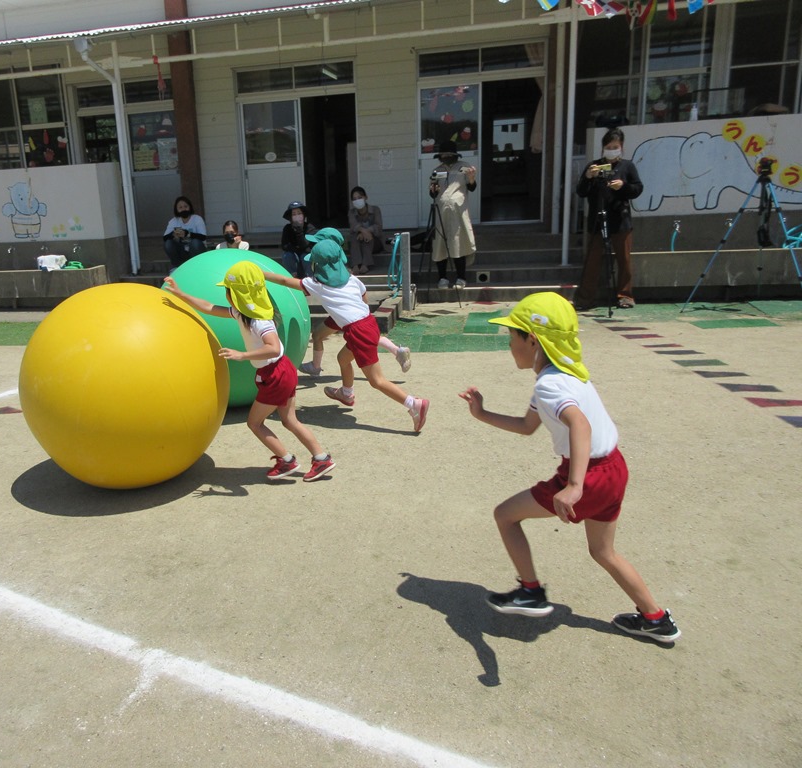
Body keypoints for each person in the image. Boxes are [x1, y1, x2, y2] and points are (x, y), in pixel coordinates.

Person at [459, 292, 680, 644]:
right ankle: (655, 618)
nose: (509, 343)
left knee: (505, 515)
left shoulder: (549, 385)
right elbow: (527, 426)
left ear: (532, 339)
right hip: (614, 469)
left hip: (588, 475)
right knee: (603, 551)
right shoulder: (567, 374)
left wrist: (575, 485)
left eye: (512, 335)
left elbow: (580, 426)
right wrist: (482, 413)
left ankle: (530, 591)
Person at [163, 262, 335, 482]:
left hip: (275, 375)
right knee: (290, 420)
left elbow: (272, 346)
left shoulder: (259, 321)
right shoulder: (242, 313)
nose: (226, 294)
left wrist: (242, 355)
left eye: (228, 290)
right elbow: (208, 307)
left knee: (254, 423)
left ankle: (287, 461)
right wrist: (180, 294)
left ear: (237, 294)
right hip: (282, 371)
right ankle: (321, 458)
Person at [264, 228, 430, 434]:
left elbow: (284, 281)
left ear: (316, 265)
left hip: (358, 331)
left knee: (376, 380)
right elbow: (364, 299)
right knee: (343, 358)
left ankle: (414, 404)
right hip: (367, 322)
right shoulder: (352, 279)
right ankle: (347, 393)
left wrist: (261, 273)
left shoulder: (317, 284)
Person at [296, 228, 411, 377]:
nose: (315, 247)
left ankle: (316, 367)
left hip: (346, 315)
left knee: (319, 336)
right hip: (355, 313)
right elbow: (363, 293)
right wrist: (364, 311)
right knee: (370, 337)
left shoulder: (328, 271)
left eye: (318, 243)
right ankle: (397, 351)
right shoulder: (341, 268)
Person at [574, 127, 643, 310]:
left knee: (624, 260)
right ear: (603, 147)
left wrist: (623, 186)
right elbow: (581, 191)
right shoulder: (594, 166)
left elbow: (637, 189)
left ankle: (625, 296)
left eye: (616, 146)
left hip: (620, 220)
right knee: (592, 261)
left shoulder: (627, 167)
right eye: (609, 146)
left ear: (621, 147)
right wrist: (589, 177)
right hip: (598, 220)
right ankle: (585, 299)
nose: (612, 149)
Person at [428, 140, 477, 289]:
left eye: (449, 154)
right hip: (441, 213)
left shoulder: (465, 167)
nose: (446, 156)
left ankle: (461, 278)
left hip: (458, 213)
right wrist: (433, 188)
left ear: (455, 155)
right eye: (444, 154)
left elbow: (472, 188)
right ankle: (442, 278)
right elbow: (432, 194)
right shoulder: (437, 170)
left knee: (458, 243)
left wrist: (471, 178)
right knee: (439, 245)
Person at [163, 196, 208, 269]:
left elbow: (203, 237)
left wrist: (188, 234)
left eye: (185, 206)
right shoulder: (174, 221)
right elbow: (165, 238)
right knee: (168, 243)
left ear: (190, 207)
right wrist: (173, 234)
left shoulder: (197, 219)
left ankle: (197, 266)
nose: (183, 209)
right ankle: (177, 266)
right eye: (180, 207)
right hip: (182, 251)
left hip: (196, 250)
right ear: (176, 210)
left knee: (195, 243)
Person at [347, 186, 383, 275]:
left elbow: (378, 227)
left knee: (368, 237)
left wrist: (366, 232)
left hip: (375, 243)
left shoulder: (375, 210)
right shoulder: (351, 212)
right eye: (354, 199)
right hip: (358, 242)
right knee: (354, 236)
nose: (357, 201)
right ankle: (355, 264)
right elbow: (354, 226)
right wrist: (363, 231)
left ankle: (365, 264)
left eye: (360, 197)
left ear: (365, 197)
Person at [280, 200, 316, 279]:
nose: (297, 216)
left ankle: (310, 279)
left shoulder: (310, 228)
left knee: (306, 256)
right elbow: (285, 245)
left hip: (306, 258)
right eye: (294, 214)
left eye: (299, 213)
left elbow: (306, 246)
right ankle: (292, 277)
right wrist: (297, 249)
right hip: (294, 257)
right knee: (287, 255)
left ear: (303, 215)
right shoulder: (287, 228)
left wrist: (299, 232)